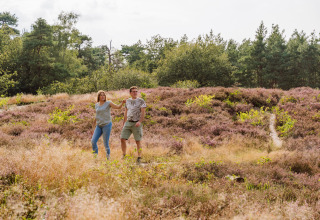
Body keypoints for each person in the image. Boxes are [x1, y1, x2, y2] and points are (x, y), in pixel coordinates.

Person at [92, 90, 125, 160]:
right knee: (93, 141)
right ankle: (95, 158)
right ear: (99, 97)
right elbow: (97, 115)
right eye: (101, 95)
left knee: (105, 143)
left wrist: (122, 103)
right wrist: (93, 125)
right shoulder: (96, 105)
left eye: (104, 95)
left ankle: (108, 158)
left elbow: (118, 107)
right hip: (98, 125)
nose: (103, 96)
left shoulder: (108, 103)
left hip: (106, 125)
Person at [120, 86, 147, 163]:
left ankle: (139, 157)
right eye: (133, 91)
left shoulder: (141, 101)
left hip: (136, 123)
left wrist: (140, 121)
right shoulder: (127, 101)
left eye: (136, 91)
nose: (135, 93)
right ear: (130, 93)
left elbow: (143, 112)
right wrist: (123, 123)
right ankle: (124, 155)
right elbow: (125, 112)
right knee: (122, 139)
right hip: (128, 122)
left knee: (138, 141)